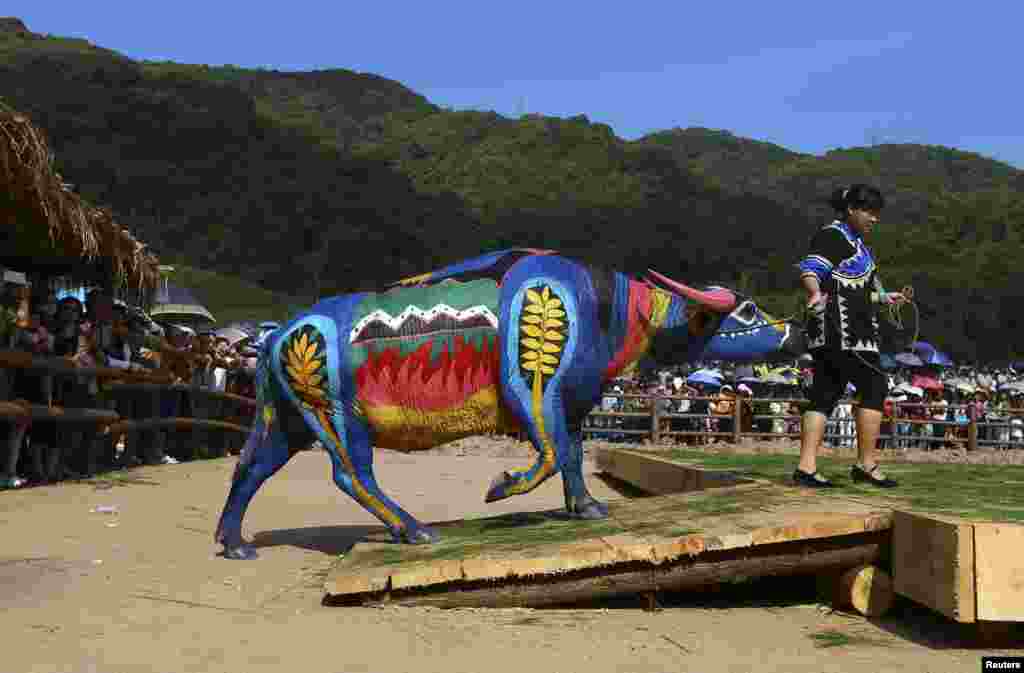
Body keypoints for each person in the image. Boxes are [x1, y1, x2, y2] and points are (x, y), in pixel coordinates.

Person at [794, 184, 907, 488]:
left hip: (837, 331)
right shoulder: (833, 236)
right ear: (850, 211)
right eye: (868, 211)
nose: (874, 218)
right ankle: (866, 464)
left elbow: (853, 291)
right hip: (845, 332)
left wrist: (884, 298)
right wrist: (815, 292)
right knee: (875, 384)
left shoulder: (855, 243)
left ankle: (806, 467)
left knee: (826, 392)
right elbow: (811, 268)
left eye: (877, 213)